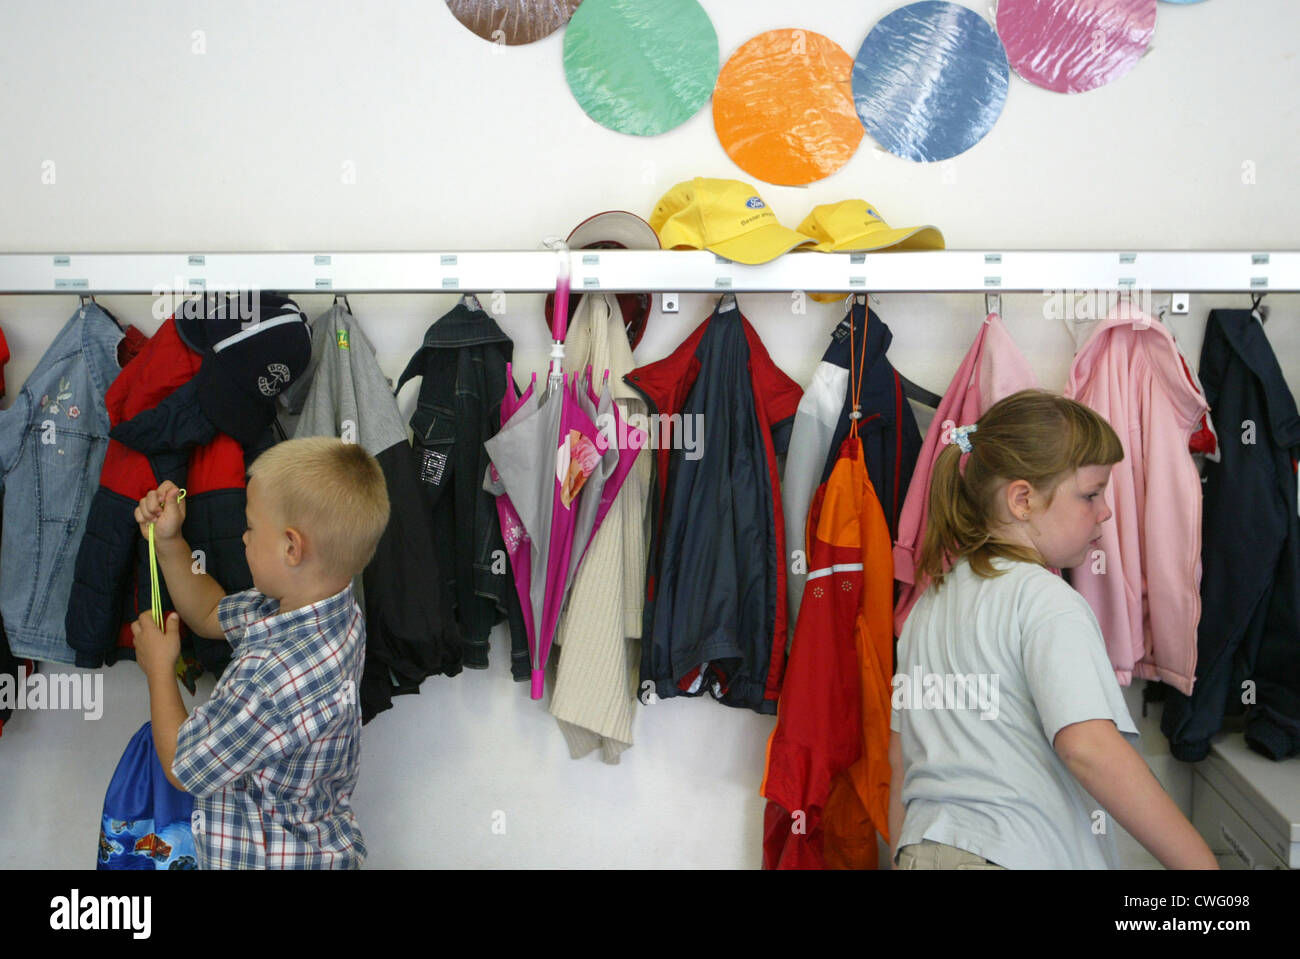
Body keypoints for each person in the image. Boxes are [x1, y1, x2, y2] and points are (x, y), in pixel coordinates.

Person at [888, 389, 1218, 870]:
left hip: (922, 850)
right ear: (1022, 499)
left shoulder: (925, 610)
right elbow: (1087, 748)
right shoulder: (1045, 602)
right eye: (1090, 493)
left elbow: (901, 764)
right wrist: (1201, 866)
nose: (1104, 511)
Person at [131, 437, 391, 869]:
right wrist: (170, 542)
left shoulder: (271, 677)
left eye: (250, 527)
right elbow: (211, 613)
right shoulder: (328, 607)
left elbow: (183, 765)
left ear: (292, 547)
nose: (244, 538)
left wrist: (159, 668)